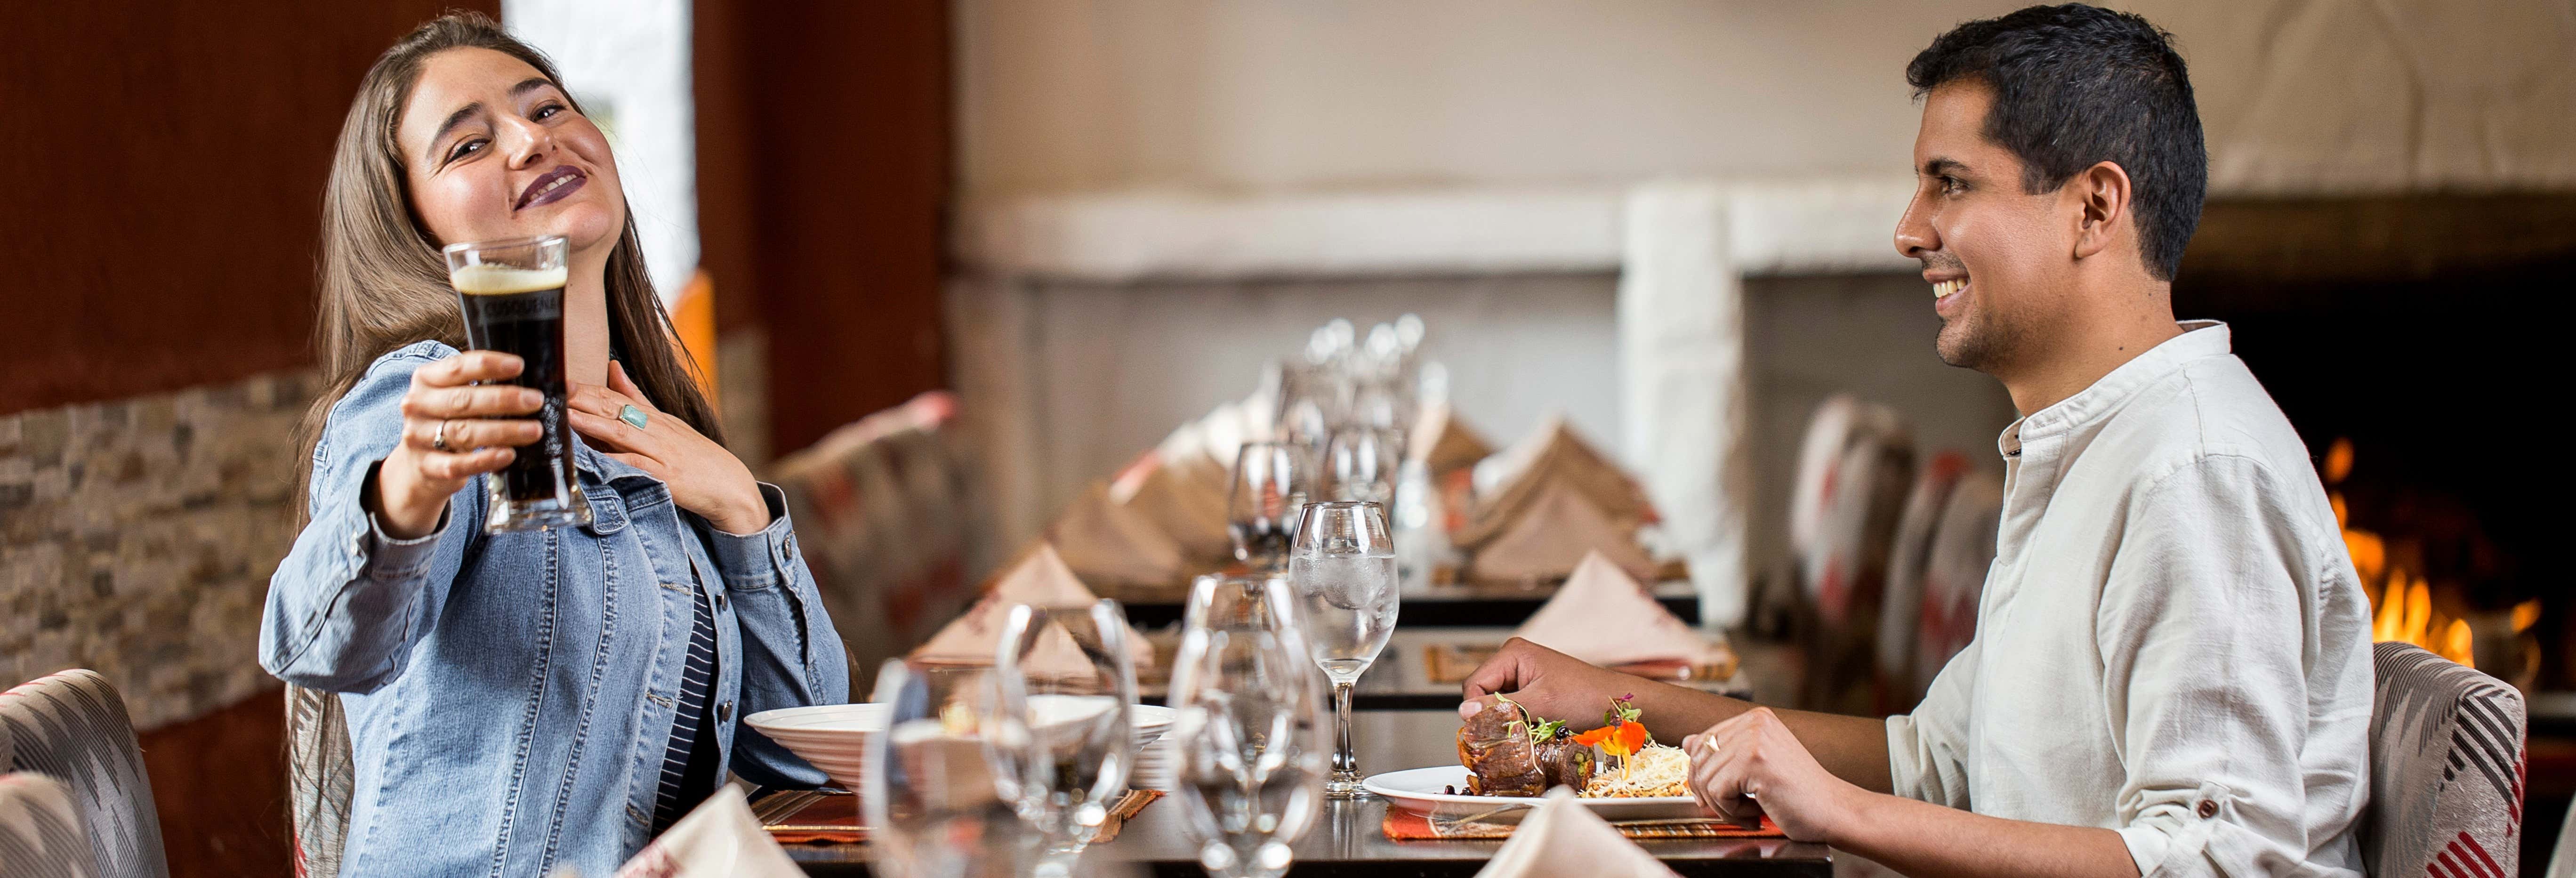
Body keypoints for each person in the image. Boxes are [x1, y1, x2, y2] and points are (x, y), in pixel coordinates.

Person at [1461, 6, 2370, 876]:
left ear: (2094, 209)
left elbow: (2215, 864)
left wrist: (1836, 811)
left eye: (1952, 182)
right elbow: (1933, 761)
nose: (1909, 229)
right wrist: (1614, 698)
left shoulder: (2193, 473)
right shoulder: (2093, 445)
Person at [260, 14, 848, 877]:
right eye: (467, 146)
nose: (531, 141)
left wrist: (740, 508)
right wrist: (410, 486)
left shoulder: (648, 435)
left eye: (546, 109)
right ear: (414, 232)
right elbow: (325, 648)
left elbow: (805, 759)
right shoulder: (433, 402)